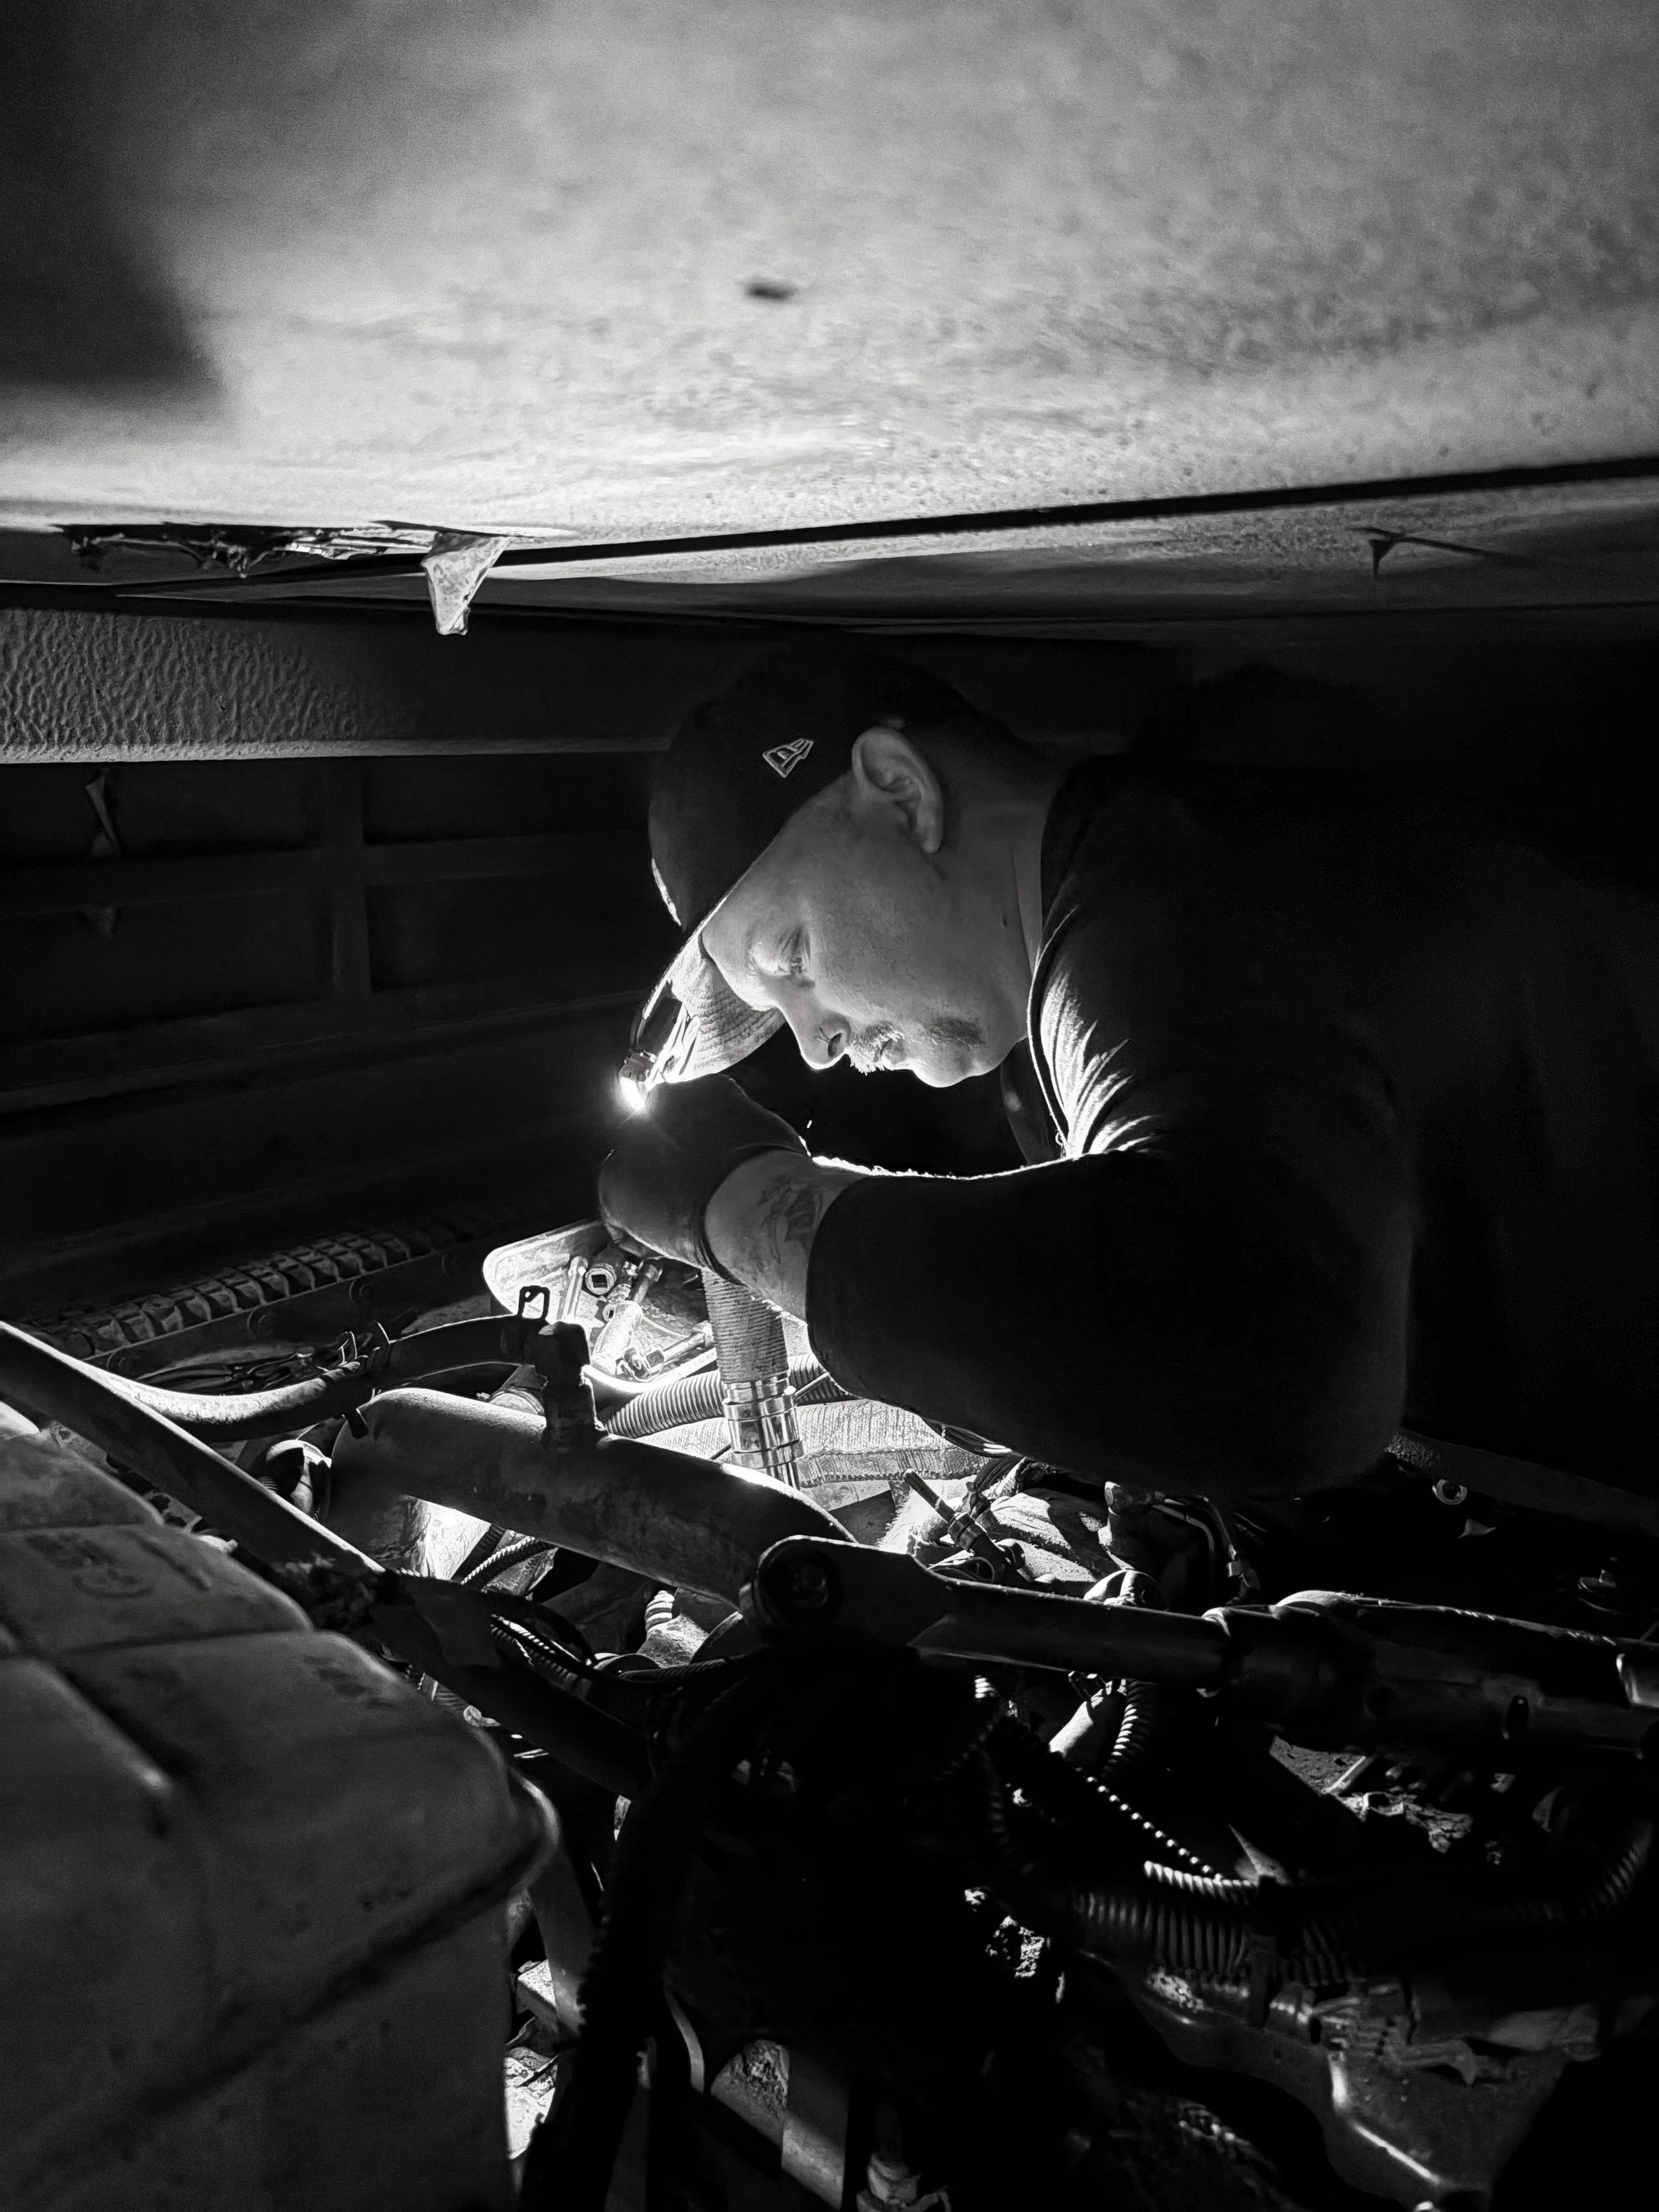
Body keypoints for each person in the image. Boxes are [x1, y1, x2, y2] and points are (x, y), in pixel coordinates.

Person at [599, 644, 1659, 1501]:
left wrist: (740, 1207)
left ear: (898, 790)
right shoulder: (1129, 891)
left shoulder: (1176, 920)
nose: (818, 1042)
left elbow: (1279, 1377)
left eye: (792, 960)